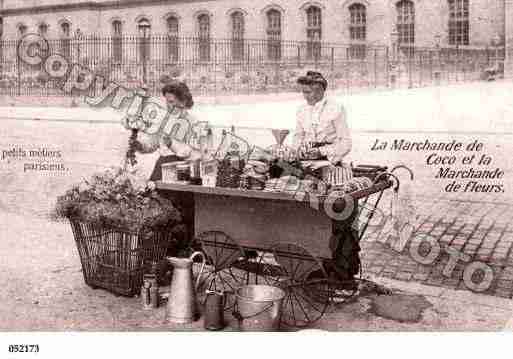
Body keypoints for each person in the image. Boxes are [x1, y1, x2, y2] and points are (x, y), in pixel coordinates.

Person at [292, 71, 359, 289]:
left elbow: (345, 142)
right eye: (303, 92)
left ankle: (337, 272)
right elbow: (298, 137)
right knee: (306, 217)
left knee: (334, 220)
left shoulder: (336, 109)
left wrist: (325, 154)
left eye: (309, 92)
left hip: (331, 169)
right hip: (308, 171)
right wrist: (298, 150)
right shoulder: (301, 111)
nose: (306, 96)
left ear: (321, 89)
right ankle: (311, 268)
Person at [131, 81, 203, 181]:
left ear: (183, 101)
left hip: (184, 170)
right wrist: (139, 145)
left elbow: (195, 154)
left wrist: (171, 144)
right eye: (166, 101)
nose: (168, 106)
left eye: (171, 102)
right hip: (162, 167)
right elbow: (152, 144)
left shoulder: (194, 124)